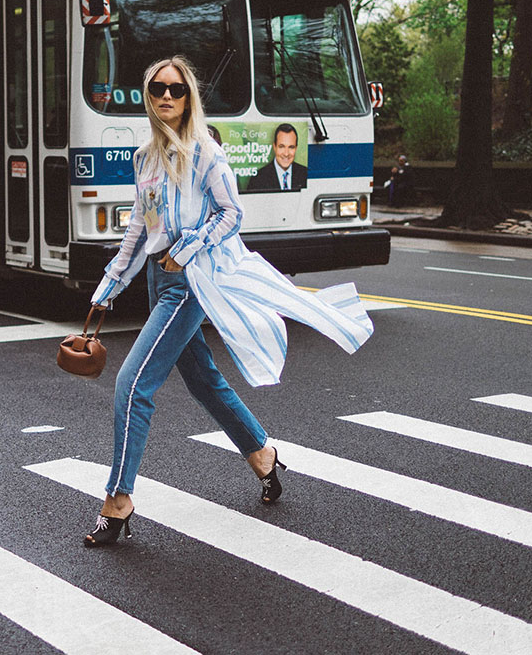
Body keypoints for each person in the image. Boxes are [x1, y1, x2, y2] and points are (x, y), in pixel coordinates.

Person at [84, 56, 374, 547]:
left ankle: (118, 500)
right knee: (203, 381)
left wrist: (187, 247)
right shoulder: (145, 159)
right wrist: (108, 290)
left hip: (192, 281)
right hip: (159, 280)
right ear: (149, 96)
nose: (167, 97)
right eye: (158, 89)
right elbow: (139, 227)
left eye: (176, 89)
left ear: (189, 96)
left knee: (132, 385)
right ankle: (262, 453)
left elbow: (231, 214)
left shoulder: (206, 154)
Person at [245, 123, 308, 191]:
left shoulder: (305, 174)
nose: (286, 154)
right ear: (274, 147)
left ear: (296, 148)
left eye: (291, 147)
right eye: (281, 147)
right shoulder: (258, 179)